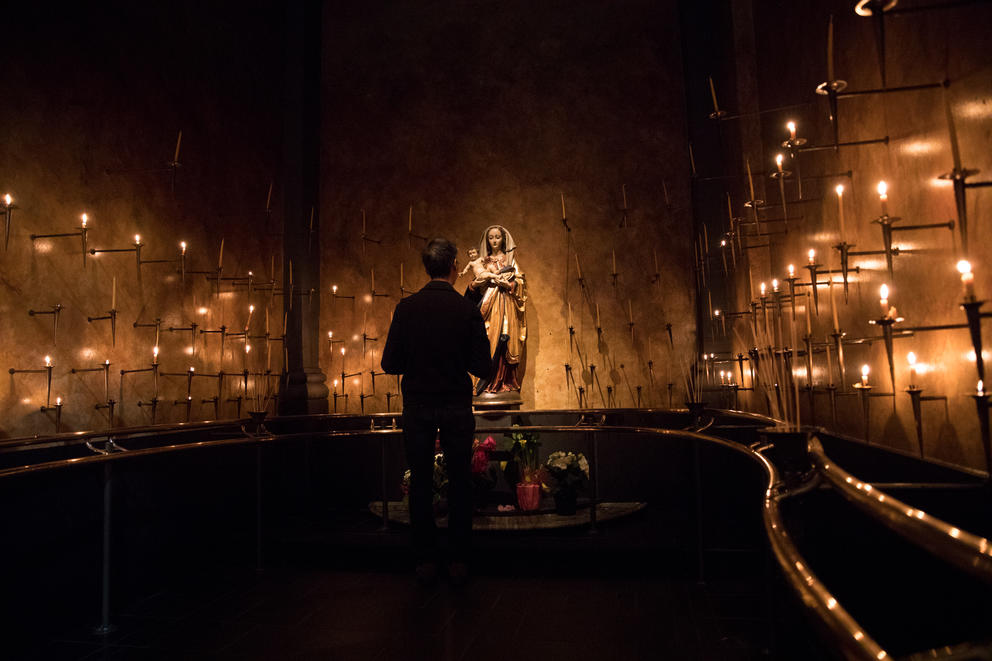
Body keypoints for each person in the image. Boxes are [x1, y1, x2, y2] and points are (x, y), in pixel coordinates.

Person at [381, 237, 492, 585]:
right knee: (460, 482)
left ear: (427, 268)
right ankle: (459, 560)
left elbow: (390, 363)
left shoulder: (406, 308)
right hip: (456, 405)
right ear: (455, 266)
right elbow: (484, 368)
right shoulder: (467, 310)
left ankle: (425, 560)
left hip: (417, 405)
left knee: (421, 484)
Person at [468, 225, 527, 395]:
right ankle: (487, 384)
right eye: (491, 237)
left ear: (503, 239)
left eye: (497, 237)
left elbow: (521, 282)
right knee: (488, 339)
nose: (494, 241)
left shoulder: (510, 260)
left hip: (507, 306)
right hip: (488, 307)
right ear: (487, 240)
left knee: (506, 340)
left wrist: (508, 284)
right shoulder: (483, 261)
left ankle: (505, 383)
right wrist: (480, 283)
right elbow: (476, 284)